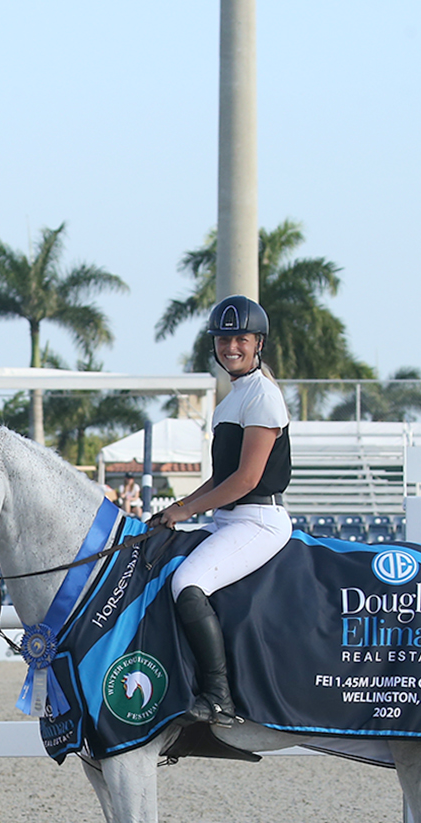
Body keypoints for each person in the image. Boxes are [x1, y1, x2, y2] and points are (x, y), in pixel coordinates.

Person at [149, 295, 291, 722]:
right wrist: (177, 507)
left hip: (259, 519)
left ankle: (218, 698)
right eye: (224, 339)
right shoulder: (230, 401)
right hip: (228, 518)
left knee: (187, 583)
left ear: (258, 343)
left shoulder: (263, 395)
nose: (231, 347)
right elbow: (220, 478)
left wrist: (186, 513)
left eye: (241, 339)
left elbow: (246, 479)